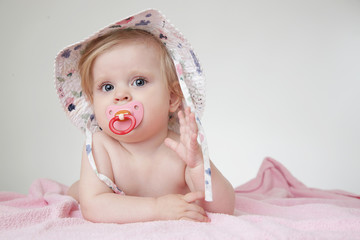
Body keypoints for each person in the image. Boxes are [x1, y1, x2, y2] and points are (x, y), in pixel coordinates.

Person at [55, 9, 235, 224]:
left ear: (172, 98)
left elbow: (224, 208)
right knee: (81, 192)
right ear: (93, 103)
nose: (120, 95)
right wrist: (157, 208)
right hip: (99, 189)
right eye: (107, 86)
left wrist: (198, 167)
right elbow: (94, 207)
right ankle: (76, 188)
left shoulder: (181, 150)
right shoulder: (101, 145)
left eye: (138, 82)